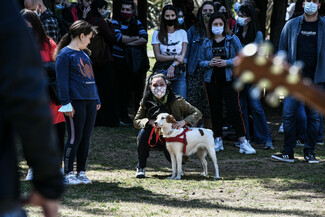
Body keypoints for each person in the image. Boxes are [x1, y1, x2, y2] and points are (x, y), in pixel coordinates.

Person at [0, 1, 64, 216]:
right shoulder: (5, 16)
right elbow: (26, 98)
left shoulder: (48, 43)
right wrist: (48, 184)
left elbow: (54, 64)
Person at [271, 0, 325, 163]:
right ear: (302, 4)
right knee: (288, 115)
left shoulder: (324, 25)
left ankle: (310, 152)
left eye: (315, 1)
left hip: (316, 79)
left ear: (319, 5)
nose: (311, 4)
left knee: (314, 117)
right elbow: (282, 48)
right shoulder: (291, 25)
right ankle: (288, 152)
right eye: (308, 1)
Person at [199, 12, 256, 154]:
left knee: (234, 110)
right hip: (211, 80)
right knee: (215, 110)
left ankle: (243, 141)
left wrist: (227, 62)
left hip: (229, 79)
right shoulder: (206, 42)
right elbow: (200, 61)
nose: (217, 27)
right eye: (214, 24)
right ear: (210, 26)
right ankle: (218, 140)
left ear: (224, 25)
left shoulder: (232, 39)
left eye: (220, 24)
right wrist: (209, 63)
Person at [20, 9, 66, 181]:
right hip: (29, 95)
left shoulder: (48, 43)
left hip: (50, 95)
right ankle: (33, 167)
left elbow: (57, 65)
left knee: (57, 132)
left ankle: (57, 167)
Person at [54, 20, 101, 184]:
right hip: (75, 103)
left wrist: (97, 98)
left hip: (90, 101)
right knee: (75, 137)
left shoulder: (85, 54)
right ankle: (68, 173)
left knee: (86, 138)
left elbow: (91, 79)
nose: (90, 41)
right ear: (81, 36)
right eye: (89, 37)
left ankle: (81, 171)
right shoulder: (64, 55)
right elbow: (62, 82)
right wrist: (66, 103)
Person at [134, 73, 202, 178]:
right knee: (143, 134)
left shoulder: (177, 101)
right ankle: (141, 167)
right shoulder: (145, 102)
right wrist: (148, 122)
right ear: (150, 86)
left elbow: (197, 113)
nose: (158, 87)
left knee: (172, 148)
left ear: (167, 85)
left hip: (173, 135)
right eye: (155, 85)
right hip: (154, 135)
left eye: (161, 84)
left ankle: (179, 168)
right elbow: (136, 121)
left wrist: (183, 122)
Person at [234, 4, 274, 150]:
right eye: (239, 14)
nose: (240, 18)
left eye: (243, 15)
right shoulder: (235, 32)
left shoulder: (257, 34)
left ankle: (266, 138)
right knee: (242, 106)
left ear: (250, 18)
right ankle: (246, 138)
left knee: (256, 106)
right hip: (239, 75)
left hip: (253, 76)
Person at [112, 0, 149, 126]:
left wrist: (127, 42)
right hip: (119, 61)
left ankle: (138, 116)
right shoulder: (115, 21)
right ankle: (123, 116)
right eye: (123, 9)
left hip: (134, 62)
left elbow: (144, 38)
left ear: (132, 11)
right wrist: (134, 39)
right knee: (122, 90)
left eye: (128, 10)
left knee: (137, 89)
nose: (125, 12)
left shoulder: (136, 21)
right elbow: (119, 38)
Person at [86, 0, 119, 127]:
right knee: (107, 90)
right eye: (104, 8)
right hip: (104, 60)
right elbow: (112, 37)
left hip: (91, 61)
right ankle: (108, 119)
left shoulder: (87, 21)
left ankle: (95, 119)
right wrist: (110, 25)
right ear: (100, 9)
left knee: (94, 90)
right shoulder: (100, 22)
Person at [185, 1, 215, 128]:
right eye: (205, 11)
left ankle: (210, 136)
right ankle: (193, 135)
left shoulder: (218, 30)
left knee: (209, 106)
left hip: (211, 72)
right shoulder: (193, 30)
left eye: (210, 11)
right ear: (200, 13)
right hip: (194, 72)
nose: (207, 14)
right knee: (194, 106)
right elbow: (186, 52)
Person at [152, 4, 188, 99]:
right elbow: (158, 56)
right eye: (167, 16)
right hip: (162, 72)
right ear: (163, 17)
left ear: (176, 16)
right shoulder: (157, 34)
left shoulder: (182, 33)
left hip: (179, 72)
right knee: (162, 102)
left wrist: (173, 65)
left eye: (172, 15)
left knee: (180, 102)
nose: (170, 18)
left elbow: (182, 57)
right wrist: (175, 57)